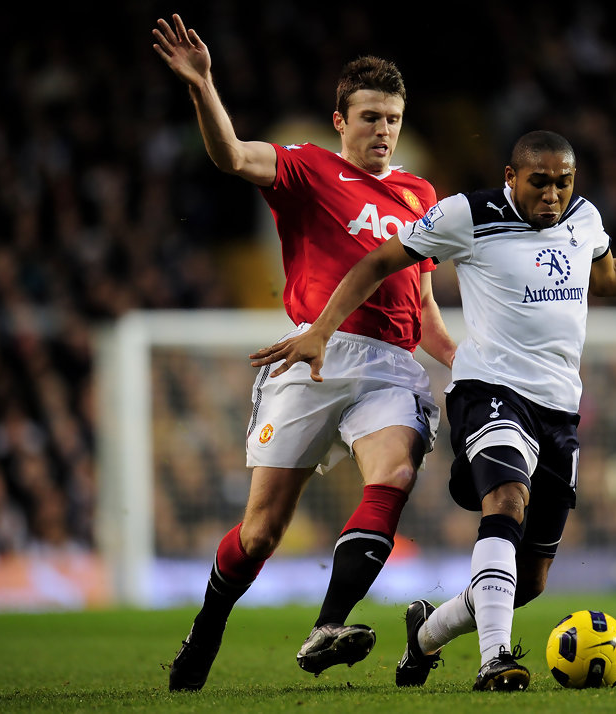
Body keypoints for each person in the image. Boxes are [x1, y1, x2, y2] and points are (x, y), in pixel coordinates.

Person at [252, 130, 616, 691]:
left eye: (563, 183)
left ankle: (425, 635)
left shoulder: (584, 218)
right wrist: (322, 329)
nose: (552, 195)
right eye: (539, 182)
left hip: (560, 407)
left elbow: (607, 276)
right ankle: (496, 660)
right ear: (512, 177)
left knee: (531, 578)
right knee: (506, 500)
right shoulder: (468, 215)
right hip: (489, 388)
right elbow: (378, 261)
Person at [151, 14, 456, 692]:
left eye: (394, 119)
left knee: (394, 474)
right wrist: (203, 85)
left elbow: (426, 311)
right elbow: (230, 156)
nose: (383, 130)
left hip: (390, 366)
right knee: (260, 535)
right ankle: (206, 629)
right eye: (371, 117)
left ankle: (327, 624)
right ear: (340, 122)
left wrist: (465, 368)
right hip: (312, 355)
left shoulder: (420, 195)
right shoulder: (305, 167)